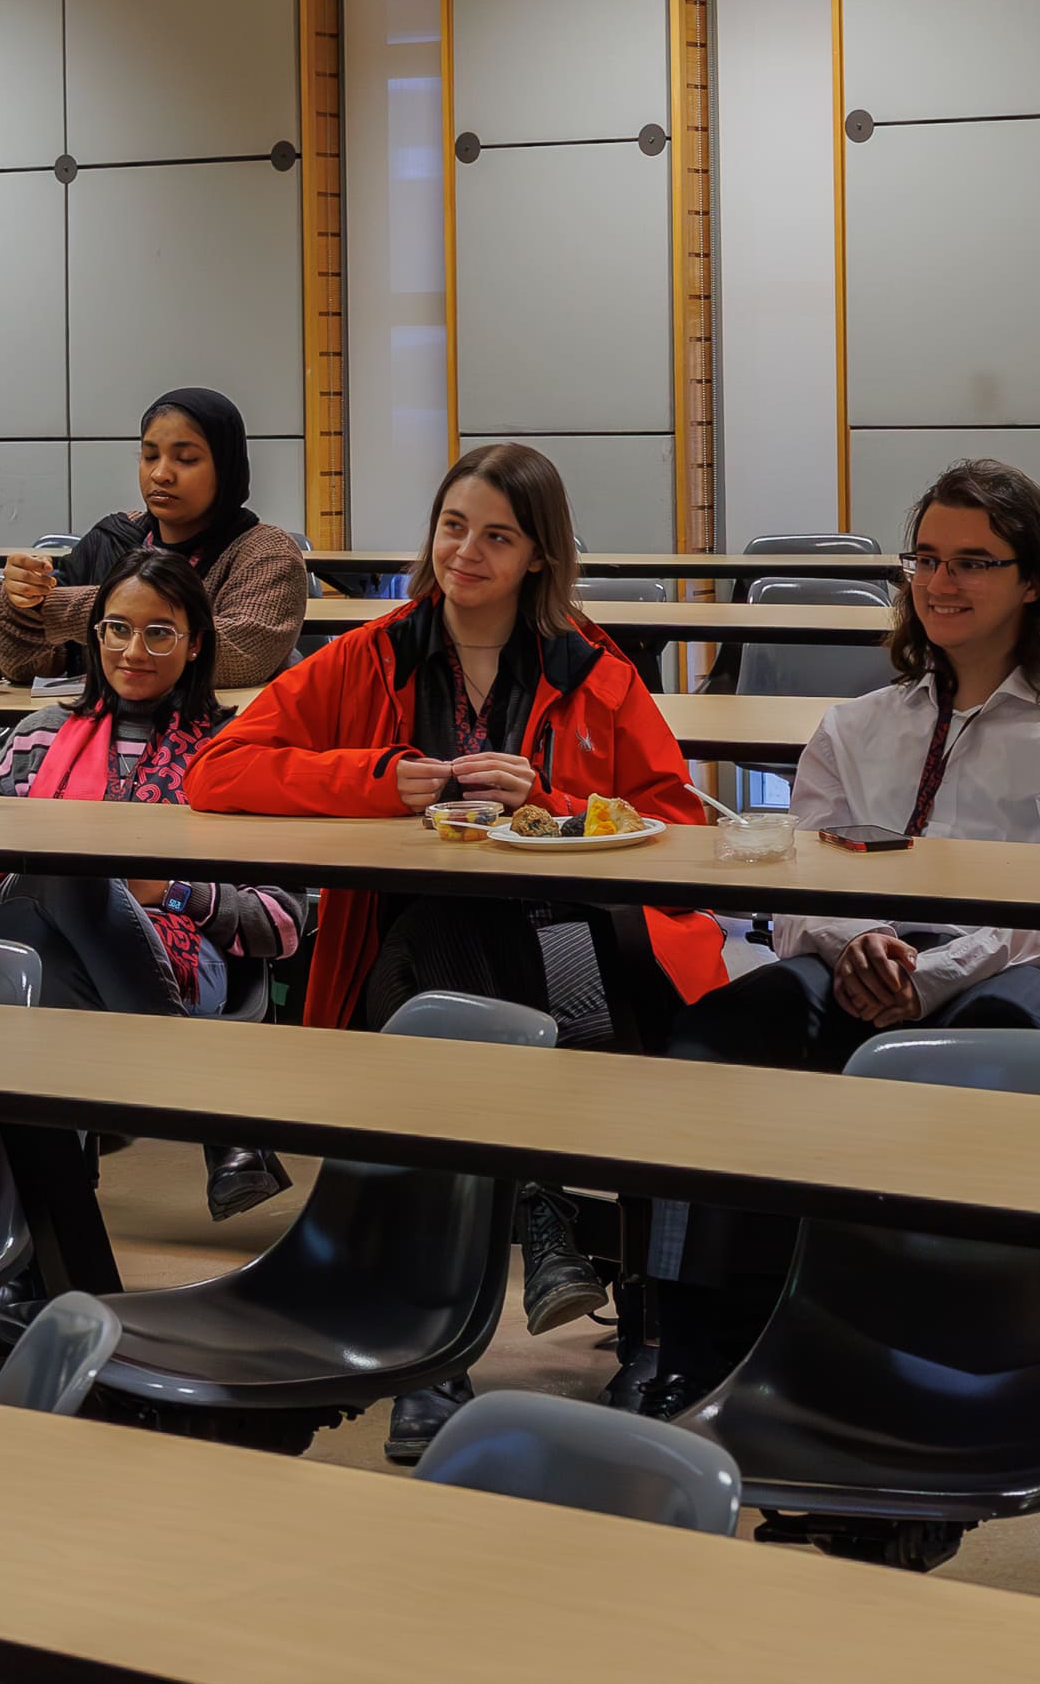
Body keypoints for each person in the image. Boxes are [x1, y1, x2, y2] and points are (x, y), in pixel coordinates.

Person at [187, 440, 719, 1457]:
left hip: (571, 954)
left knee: (458, 981)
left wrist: (552, 806)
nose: (464, 553)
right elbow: (220, 769)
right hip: (412, 961)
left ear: (538, 556)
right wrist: (378, 779)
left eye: (496, 536)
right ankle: (538, 1210)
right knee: (442, 934)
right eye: (451, 527)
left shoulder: (596, 675)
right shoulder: (371, 654)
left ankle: (440, 1356)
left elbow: (676, 826)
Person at [633, 459, 1040, 1414]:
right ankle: (692, 1347)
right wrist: (861, 944)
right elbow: (799, 886)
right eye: (924, 558)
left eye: (972, 561)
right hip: (867, 956)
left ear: (1033, 579)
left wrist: (937, 970)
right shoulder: (855, 725)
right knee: (716, 1038)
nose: (939, 583)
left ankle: (947, 1350)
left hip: (1026, 968)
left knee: (994, 1040)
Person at [0, 548, 306, 1222]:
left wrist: (169, 890)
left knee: (57, 887)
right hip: (33, 951)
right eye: (116, 628)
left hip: (180, 961)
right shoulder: (36, 737)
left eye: (159, 632)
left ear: (197, 644)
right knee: (53, 880)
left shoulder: (235, 752)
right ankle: (207, 1104)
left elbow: (283, 922)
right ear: (94, 635)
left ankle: (28, 1270)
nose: (133, 650)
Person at [0, 387, 309, 687]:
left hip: (213, 737)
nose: (160, 474)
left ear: (227, 469)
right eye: (150, 456)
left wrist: (59, 609)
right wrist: (22, 601)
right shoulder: (113, 538)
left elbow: (239, 656)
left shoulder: (266, 553)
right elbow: (23, 666)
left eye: (186, 459)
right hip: (98, 734)